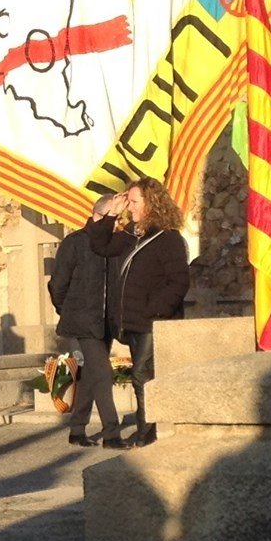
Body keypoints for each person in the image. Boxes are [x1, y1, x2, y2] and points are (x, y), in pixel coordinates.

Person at [86, 177, 190, 449]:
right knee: (140, 376)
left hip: (152, 321)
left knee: (142, 374)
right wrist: (111, 215)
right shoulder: (132, 234)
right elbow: (101, 246)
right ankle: (148, 429)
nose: (129, 207)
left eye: (134, 202)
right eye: (128, 202)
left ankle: (147, 433)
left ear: (151, 203)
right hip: (132, 320)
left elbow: (179, 281)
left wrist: (155, 310)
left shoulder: (168, 238)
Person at [48, 201, 125, 450]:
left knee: (92, 375)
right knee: (103, 373)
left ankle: (77, 429)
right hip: (82, 320)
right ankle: (111, 433)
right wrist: (69, 310)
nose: (118, 223)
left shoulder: (115, 244)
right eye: (114, 218)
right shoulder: (75, 242)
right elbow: (58, 283)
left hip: (106, 320)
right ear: (98, 216)